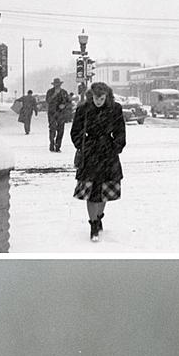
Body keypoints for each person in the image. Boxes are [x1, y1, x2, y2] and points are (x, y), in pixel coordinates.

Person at [70, 82, 126, 242]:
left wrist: (116, 147)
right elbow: (75, 131)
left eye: (102, 98)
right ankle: (93, 224)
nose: (99, 101)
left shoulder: (115, 108)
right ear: (91, 96)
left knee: (105, 190)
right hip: (90, 154)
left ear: (107, 96)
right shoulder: (83, 109)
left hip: (109, 153)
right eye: (96, 98)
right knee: (92, 192)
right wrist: (84, 145)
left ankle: (99, 217)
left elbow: (120, 130)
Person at [46, 77, 72, 152]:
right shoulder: (50, 92)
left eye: (58, 84)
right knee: (52, 129)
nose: (57, 86)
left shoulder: (64, 92)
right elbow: (48, 101)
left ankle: (58, 146)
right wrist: (54, 94)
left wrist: (64, 105)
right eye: (55, 84)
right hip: (52, 113)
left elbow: (68, 102)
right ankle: (51, 144)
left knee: (60, 130)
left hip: (61, 113)